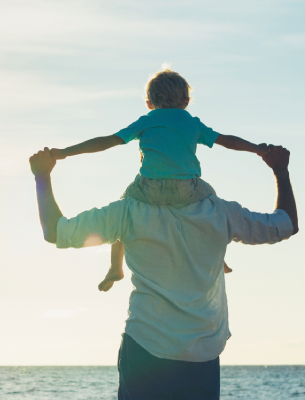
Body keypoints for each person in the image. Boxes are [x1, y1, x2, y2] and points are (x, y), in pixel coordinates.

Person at [29, 144, 298, 399]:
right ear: (191, 157)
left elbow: (56, 231)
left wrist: (42, 176)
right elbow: (284, 224)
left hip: (146, 349)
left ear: (145, 160)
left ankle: (115, 269)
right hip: (200, 354)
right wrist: (280, 171)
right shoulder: (220, 212)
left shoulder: (128, 210)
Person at [49, 66, 267, 291]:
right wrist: (256, 148)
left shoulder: (146, 121)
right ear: (186, 100)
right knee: (212, 203)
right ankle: (218, 257)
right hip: (188, 189)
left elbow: (107, 141)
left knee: (124, 213)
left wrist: (66, 152)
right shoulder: (191, 122)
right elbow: (227, 140)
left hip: (149, 188)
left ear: (149, 103)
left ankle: (116, 267)